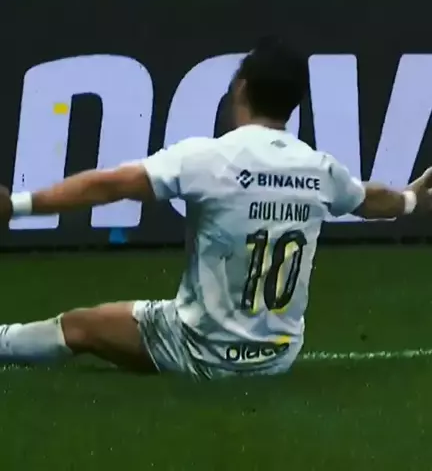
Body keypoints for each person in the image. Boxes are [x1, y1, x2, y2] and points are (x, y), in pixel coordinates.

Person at [0, 36, 429, 380]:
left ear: (240, 88)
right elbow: (369, 199)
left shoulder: (207, 159)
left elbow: (109, 185)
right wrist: (412, 199)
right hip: (276, 358)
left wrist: (17, 204)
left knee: (77, 326)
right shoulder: (322, 170)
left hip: (200, 349)